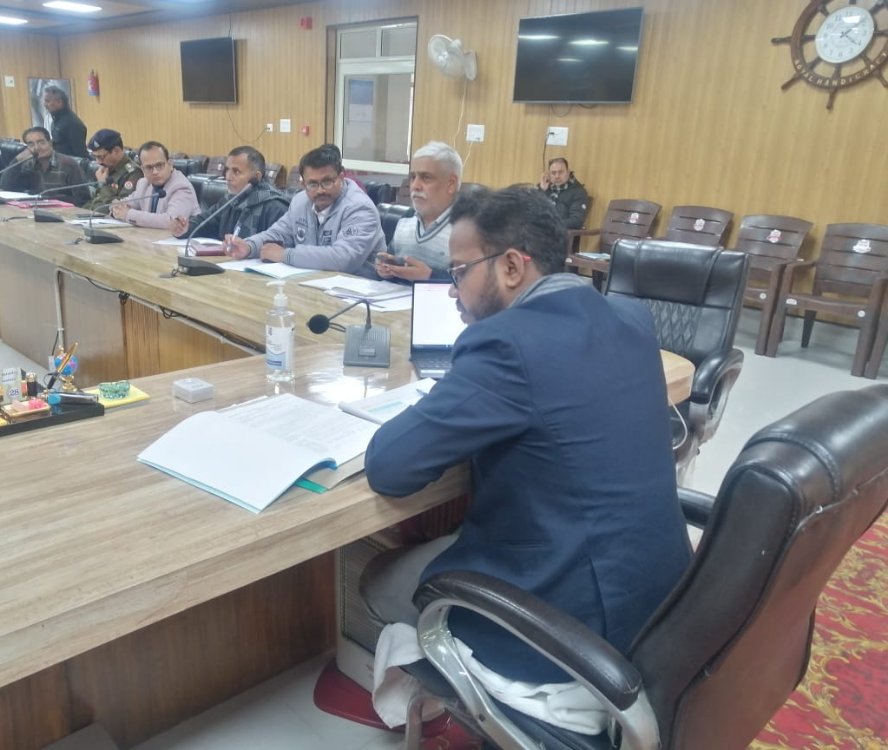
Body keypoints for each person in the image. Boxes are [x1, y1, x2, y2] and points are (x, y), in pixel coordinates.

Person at [362, 186, 691, 697]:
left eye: (459, 272)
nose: (452, 291)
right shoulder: (631, 318)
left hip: (570, 628)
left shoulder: (506, 343)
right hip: (664, 600)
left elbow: (390, 466)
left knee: (380, 578)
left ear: (513, 266)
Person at [224, 144, 385, 277]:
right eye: (313, 184)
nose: (320, 190)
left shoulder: (360, 207)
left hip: (358, 291)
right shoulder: (300, 201)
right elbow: (278, 234)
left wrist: (285, 255)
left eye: (327, 182)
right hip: (312, 283)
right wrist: (249, 247)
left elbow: (343, 259)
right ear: (303, 184)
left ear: (341, 178)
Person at [375, 141, 462, 282]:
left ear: (451, 183)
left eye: (426, 178)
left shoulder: (468, 230)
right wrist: (385, 269)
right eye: (412, 177)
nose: (415, 186)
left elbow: (477, 287)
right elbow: (392, 266)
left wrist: (430, 276)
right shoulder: (406, 220)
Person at [170, 146, 289, 241]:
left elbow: (278, 247)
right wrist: (185, 228)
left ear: (256, 177)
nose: (228, 177)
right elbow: (204, 223)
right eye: (227, 170)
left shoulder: (275, 207)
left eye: (236, 171)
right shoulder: (230, 201)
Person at [110, 140, 198, 228]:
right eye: (149, 167)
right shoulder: (143, 184)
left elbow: (171, 221)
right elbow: (122, 205)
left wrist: (128, 214)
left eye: (159, 165)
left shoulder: (181, 187)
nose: (155, 172)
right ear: (143, 170)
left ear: (170, 165)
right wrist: (116, 209)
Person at [0, 126, 89, 206]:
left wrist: (58, 201)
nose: (37, 148)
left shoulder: (68, 164)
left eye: (41, 142)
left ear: (50, 143)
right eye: (31, 144)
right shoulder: (28, 164)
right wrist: (17, 160)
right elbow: (6, 186)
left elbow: (83, 200)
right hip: (33, 210)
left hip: (64, 213)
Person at [84, 128, 142, 211]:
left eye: (101, 157)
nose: (98, 162)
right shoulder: (106, 169)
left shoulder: (133, 173)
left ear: (116, 151)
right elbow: (95, 200)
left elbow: (120, 207)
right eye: (95, 157)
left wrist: (103, 184)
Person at [538, 157, 589, 230]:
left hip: (560, 233)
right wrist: (541, 191)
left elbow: (576, 221)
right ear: (549, 175)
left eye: (561, 172)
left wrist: (551, 224)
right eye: (553, 173)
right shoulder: (544, 187)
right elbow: (530, 212)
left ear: (568, 172)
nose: (557, 176)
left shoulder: (578, 192)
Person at [43, 85, 88, 159]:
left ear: (59, 102)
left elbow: (80, 155)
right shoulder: (56, 120)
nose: (44, 104)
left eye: (47, 101)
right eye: (44, 101)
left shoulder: (73, 124)